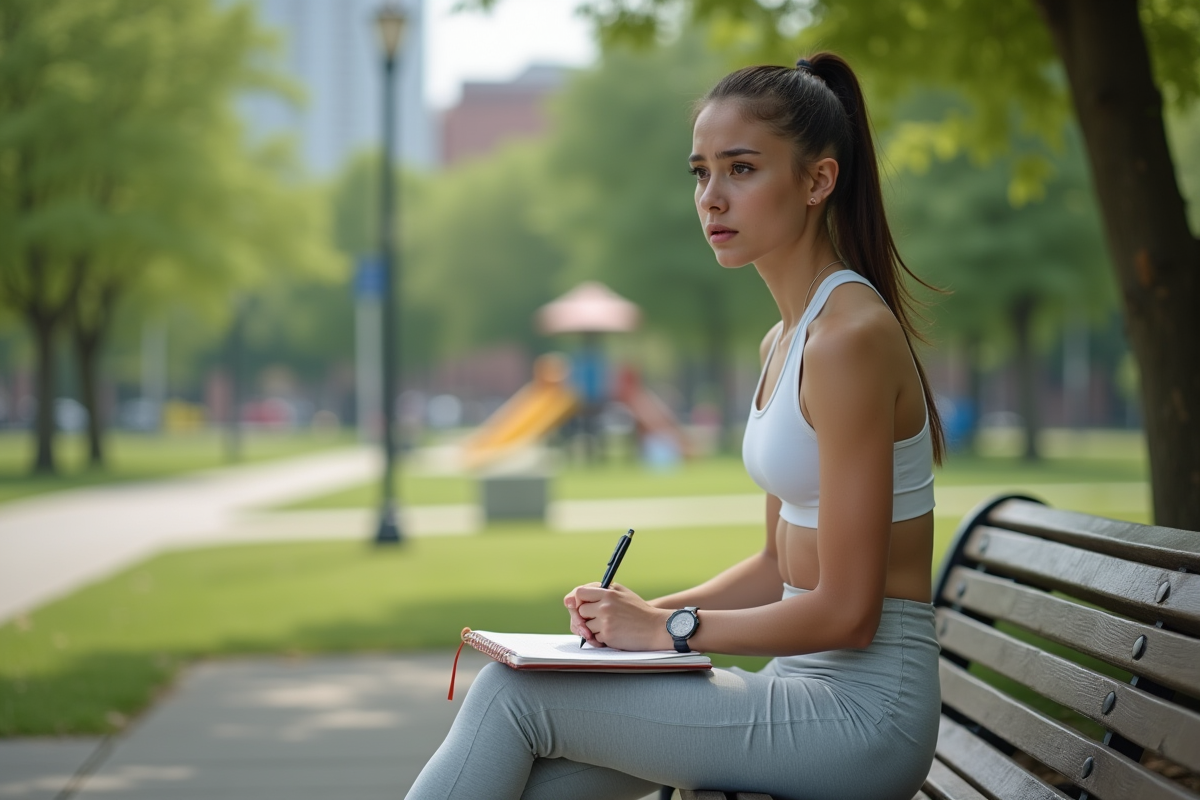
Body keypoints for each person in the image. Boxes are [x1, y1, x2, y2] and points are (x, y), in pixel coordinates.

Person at [406, 52, 946, 800]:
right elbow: (773, 567)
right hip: (804, 691)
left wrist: (673, 631)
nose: (712, 198)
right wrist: (641, 615)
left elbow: (851, 614)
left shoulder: (850, 340)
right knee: (549, 782)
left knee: (513, 695)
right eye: (700, 173)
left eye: (742, 169)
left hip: (863, 718)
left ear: (818, 180)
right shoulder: (785, 340)